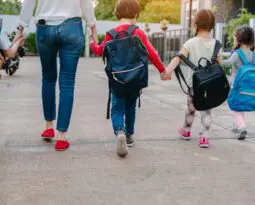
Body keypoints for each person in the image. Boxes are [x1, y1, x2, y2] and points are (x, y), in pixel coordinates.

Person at [16, 0, 97, 151]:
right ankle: (61, 136)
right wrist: (92, 28)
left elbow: (28, 3)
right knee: (67, 82)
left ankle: (48, 127)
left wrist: (20, 30)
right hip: (72, 27)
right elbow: (86, 3)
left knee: (48, 78)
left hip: (45, 27)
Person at [90, 0, 167, 157]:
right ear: (136, 14)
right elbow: (152, 53)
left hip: (117, 80)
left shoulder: (110, 34)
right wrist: (162, 70)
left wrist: (93, 43)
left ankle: (120, 132)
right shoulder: (138, 33)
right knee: (130, 107)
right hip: (135, 79)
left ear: (117, 14)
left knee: (117, 107)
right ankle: (130, 135)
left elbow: (100, 51)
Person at [164, 9, 222, 148]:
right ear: (212, 26)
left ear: (195, 24)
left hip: (193, 85)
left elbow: (179, 57)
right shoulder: (216, 45)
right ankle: (204, 137)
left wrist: (167, 71)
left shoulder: (191, 42)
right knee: (207, 111)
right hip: (211, 85)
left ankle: (186, 131)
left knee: (191, 109)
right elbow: (221, 65)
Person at [222, 26, 255, 140]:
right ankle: (236, 126)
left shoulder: (237, 53)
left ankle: (241, 127)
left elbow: (227, 63)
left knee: (235, 107)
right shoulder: (253, 54)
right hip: (249, 87)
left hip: (237, 86)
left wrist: (218, 59)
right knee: (239, 106)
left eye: (235, 38)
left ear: (239, 39)